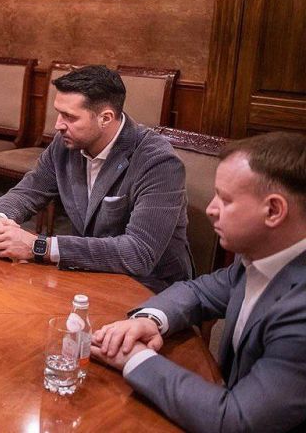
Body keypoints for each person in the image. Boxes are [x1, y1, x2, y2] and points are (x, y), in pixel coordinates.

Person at [90, 131, 306, 433]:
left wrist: (136, 359)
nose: (210, 209)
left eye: (225, 199)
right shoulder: (262, 256)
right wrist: (150, 320)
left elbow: (235, 421)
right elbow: (199, 290)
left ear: (273, 210)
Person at [0, 65, 191, 291]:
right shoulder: (65, 144)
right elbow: (27, 192)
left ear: (105, 118)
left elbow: (139, 253)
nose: (58, 125)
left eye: (69, 117)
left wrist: (38, 246)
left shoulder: (158, 162)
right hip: (88, 274)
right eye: (59, 112)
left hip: (149, 287)